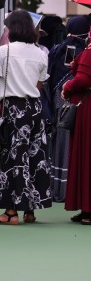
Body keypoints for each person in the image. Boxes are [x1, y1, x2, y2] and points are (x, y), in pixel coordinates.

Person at [0, 10, 52, 225]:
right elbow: (40, 85)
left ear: (12, 29)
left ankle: (10, 211)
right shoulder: (41, 53)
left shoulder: (2, 51)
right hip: (34, 107)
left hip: (13, 107)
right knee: (35, 156)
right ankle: (30, 210)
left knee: (12, 156)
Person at [48, 16, 89, 202]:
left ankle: (58, 186)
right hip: (72, 101)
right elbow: (75, 77)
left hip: (59, 101)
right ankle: (65, 188)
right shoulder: (75, 49)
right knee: (68, 145)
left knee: (60, 143)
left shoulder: (59, 47)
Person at [62, 33, 91, 224]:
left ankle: (87, 207)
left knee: (85, 155)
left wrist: (67, 86)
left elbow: (83, 80)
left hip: (87, 108)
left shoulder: (89, 52)